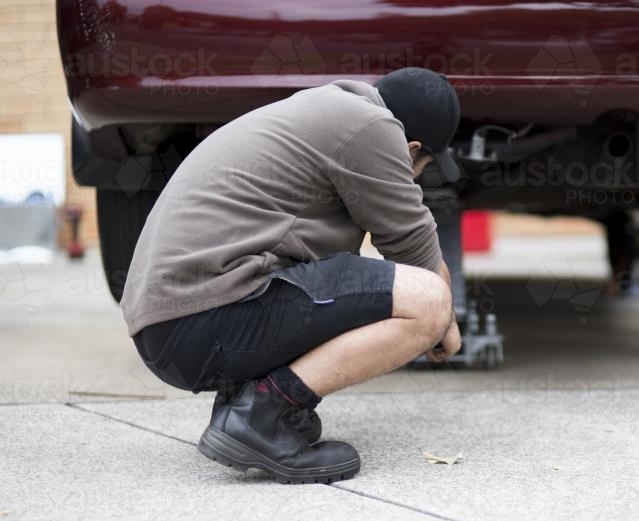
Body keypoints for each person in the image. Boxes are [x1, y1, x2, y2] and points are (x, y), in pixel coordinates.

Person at [122, 67, 464, 483]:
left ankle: (243, 401)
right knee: (427, 301)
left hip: (173, 326)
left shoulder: (321, 110)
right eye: (422, 168)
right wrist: (443, 321)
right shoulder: (372, 127)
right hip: (202, 315)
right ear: (410, 148)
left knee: (348, 282)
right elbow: (410, 241)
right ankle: (260, 416)